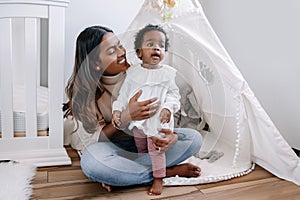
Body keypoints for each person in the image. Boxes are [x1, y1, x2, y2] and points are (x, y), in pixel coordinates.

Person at [63, 25, 202, 195]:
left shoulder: (142, 71)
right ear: (95, 63)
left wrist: (169, 136)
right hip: (113, 147)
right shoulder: (84, 93)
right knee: (92, 164)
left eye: (120, 45)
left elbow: (167, 104)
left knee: (194, 138)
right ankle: (165, 172)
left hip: (148, 137)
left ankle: (127, 175)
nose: (122, 52)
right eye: (112, 51)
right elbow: (93, 141)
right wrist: (127, 116)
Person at [112, 24, 180, 195]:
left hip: (158, 121)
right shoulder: (133, 74)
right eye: (150, 44)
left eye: (161, 45)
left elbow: (174, 95)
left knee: (156, 150)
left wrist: (168, 108)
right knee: (141, 147)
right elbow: (122, 96)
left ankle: (158, 178)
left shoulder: (168, 74)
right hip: (137, 122)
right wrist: (117, 111)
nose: (156, 47)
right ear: (139, 52)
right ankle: (146, 168)